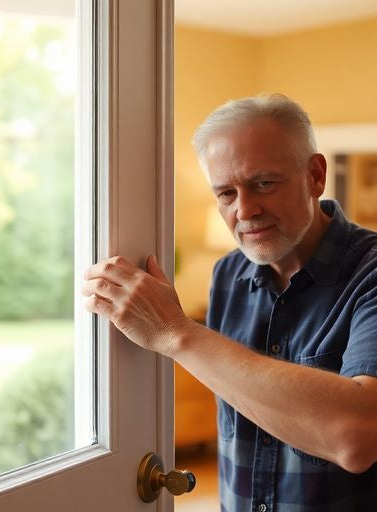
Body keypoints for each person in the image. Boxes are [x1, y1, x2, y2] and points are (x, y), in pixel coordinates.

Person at [82, 94, 377, 511]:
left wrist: (176, 333)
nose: (245, 210)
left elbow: (357, 436)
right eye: (225, 193)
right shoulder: (227, 276)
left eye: (263, 183)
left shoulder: (370, 274)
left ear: (315, 175)